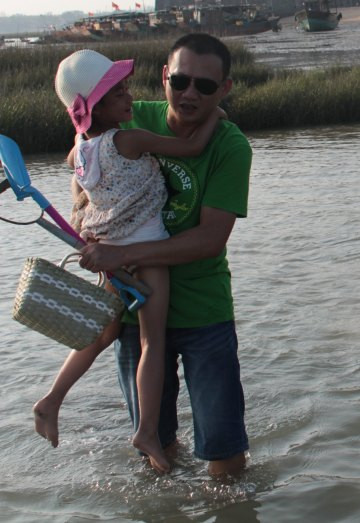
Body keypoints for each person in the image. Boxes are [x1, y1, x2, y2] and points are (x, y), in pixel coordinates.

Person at [34, 50, 221, 473]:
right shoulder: (129, 140)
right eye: (118, 93)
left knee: (101, 336)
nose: (130, 97)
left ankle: (52, 399)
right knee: (151, 342)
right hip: (145, 250)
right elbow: (191, 146)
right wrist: (216, 114)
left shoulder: (78, 153)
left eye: (125, 89)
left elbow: (82, 197)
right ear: (95, 106)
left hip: (110, 255)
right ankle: (147, 430)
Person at [78, 33, 253, 476]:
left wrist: (123, 253)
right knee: (155, 451)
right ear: (164, 78)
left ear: (225, 90)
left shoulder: (230, 146)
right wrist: (89, 224)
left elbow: (210, 239)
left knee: (225, 458)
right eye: (180, 80)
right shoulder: (133, 119)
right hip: (133, 308)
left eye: (205, 86)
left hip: (203, 313)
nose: (190, 93)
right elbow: (85, 163)